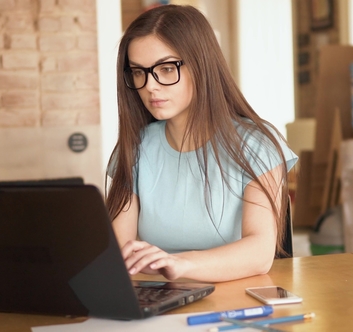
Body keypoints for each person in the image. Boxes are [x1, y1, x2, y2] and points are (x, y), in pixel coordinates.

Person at [105, 4, 298, 282]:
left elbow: (260, 252)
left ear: (201, 65)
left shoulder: (257, 144)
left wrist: (179, 264)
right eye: (138, 72)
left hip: (237, 302)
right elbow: (119, 253)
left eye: (167, 68)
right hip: (164, 304)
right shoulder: (136, 148)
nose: (150, 86)